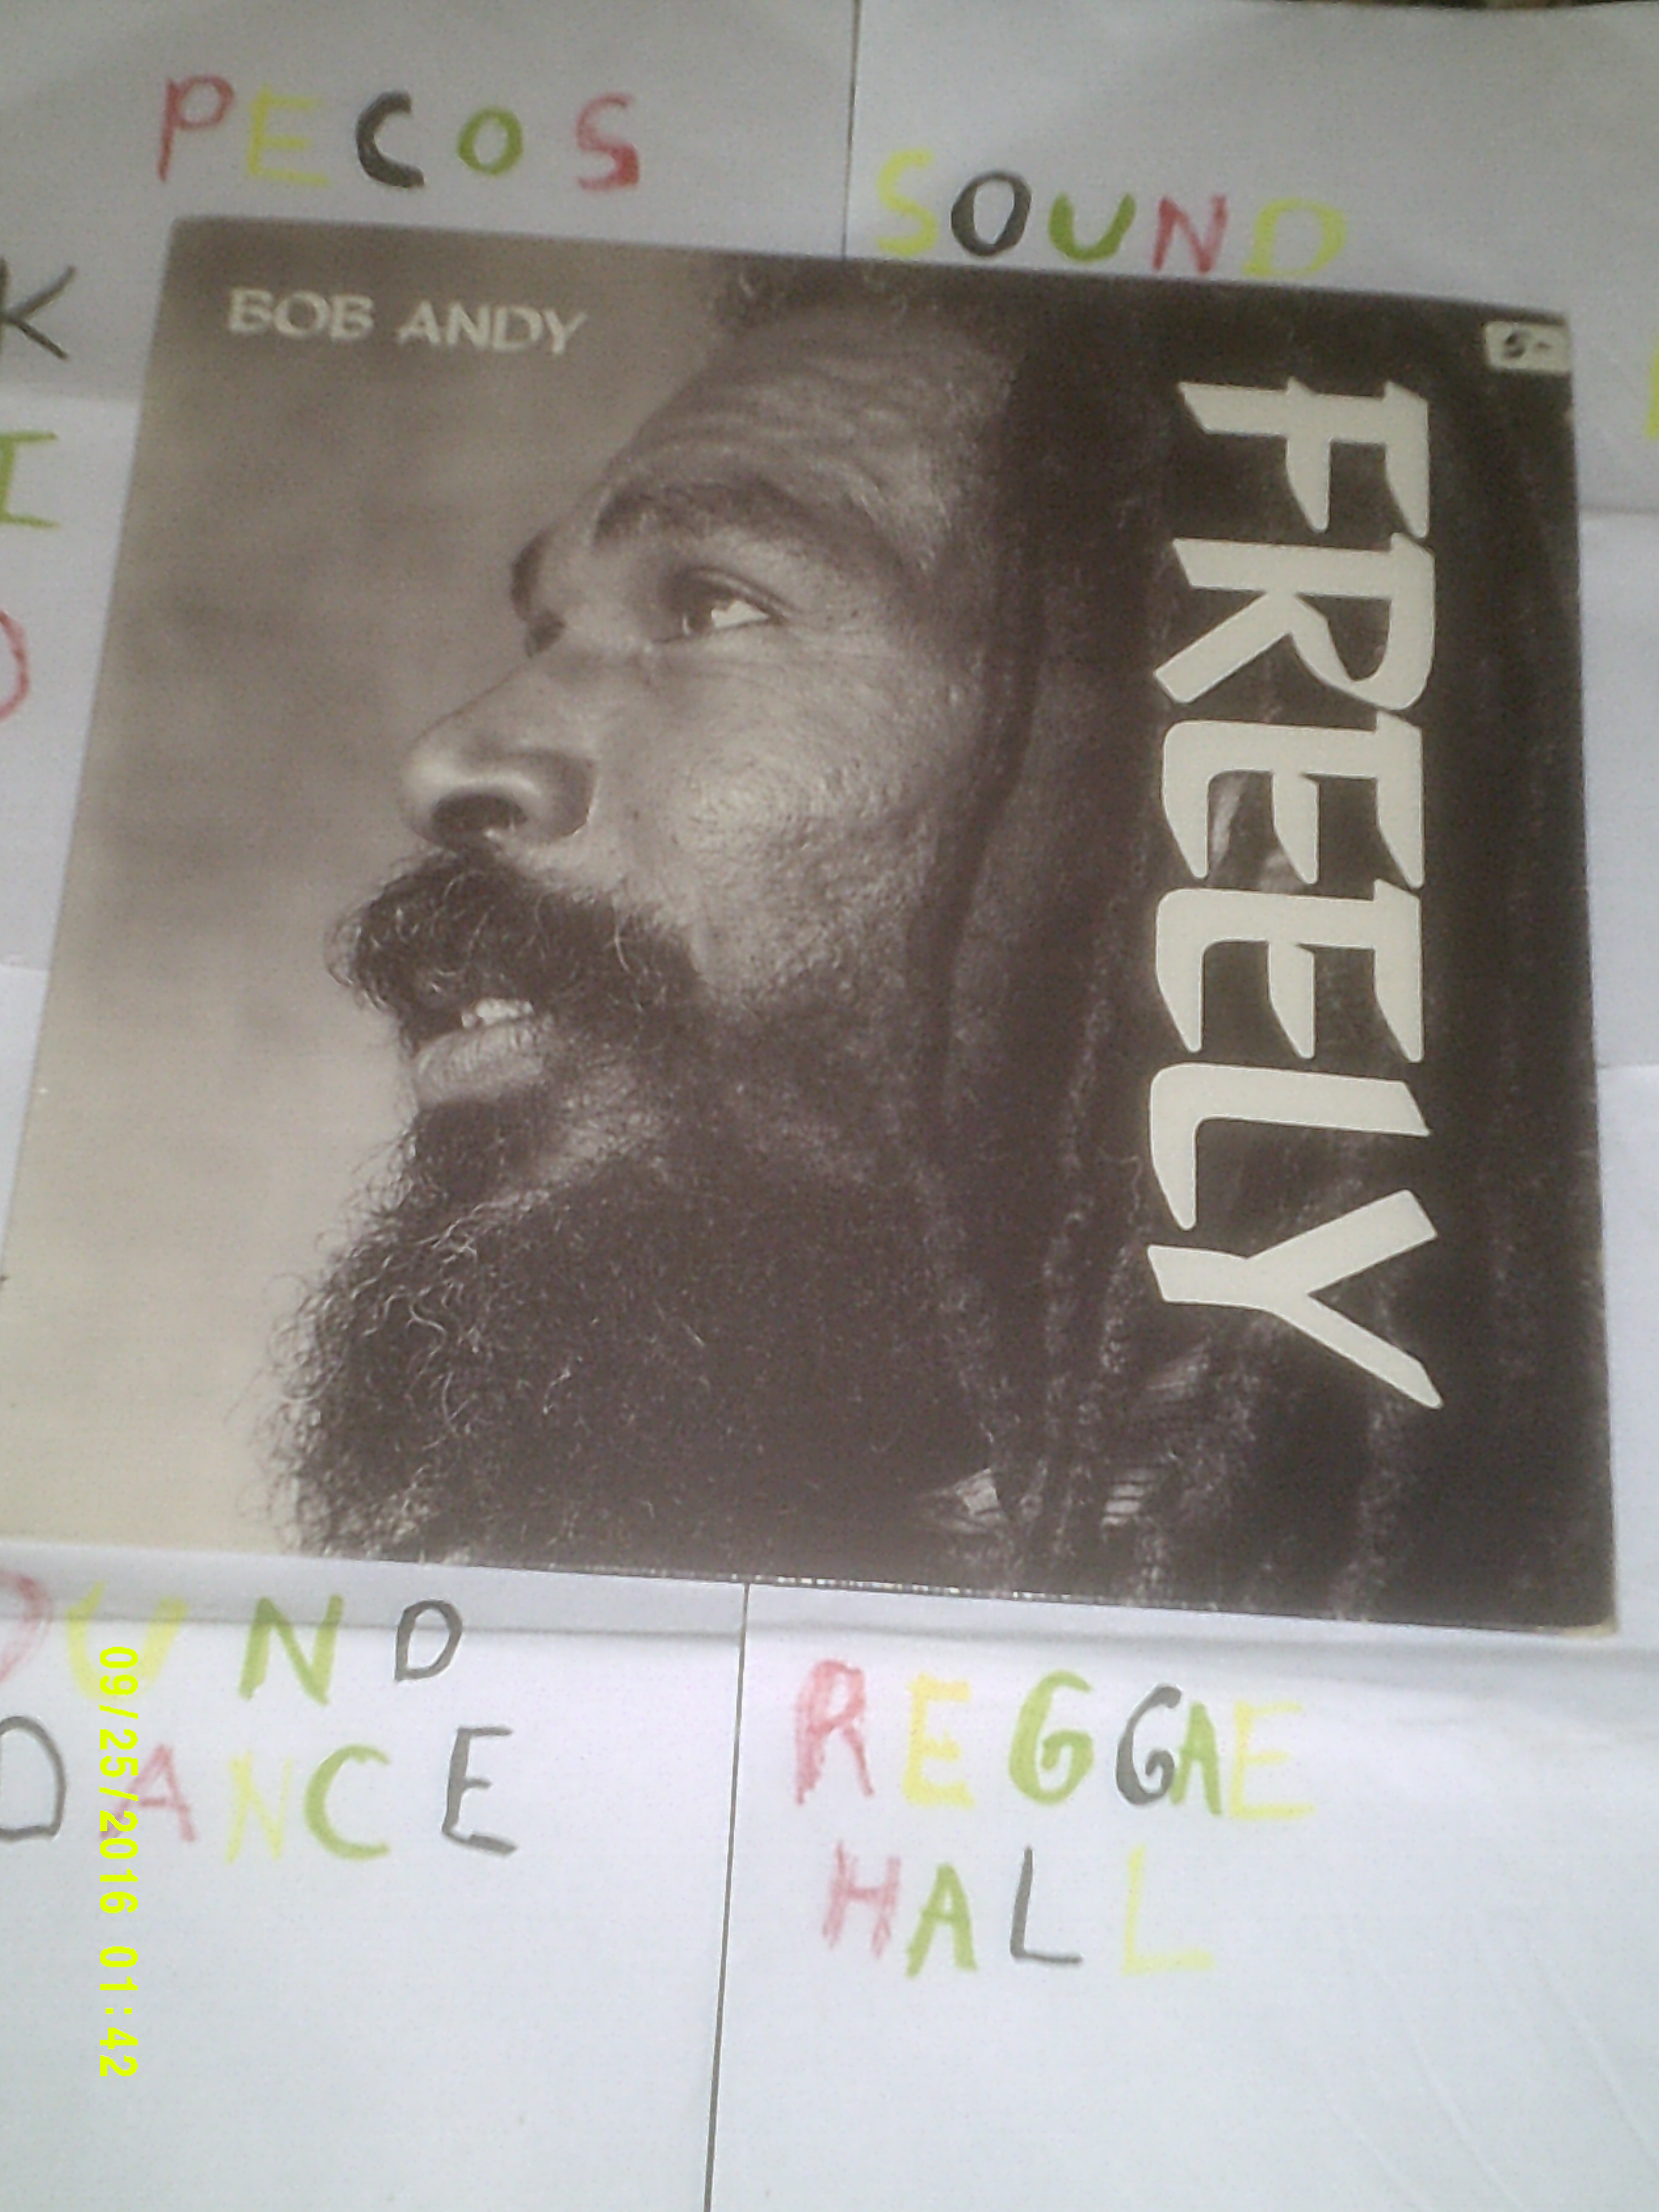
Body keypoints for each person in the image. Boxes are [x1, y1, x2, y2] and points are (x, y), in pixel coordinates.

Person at [276, 258, 1609, 1626]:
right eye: (547, 628)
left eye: (713, 604)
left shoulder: (1453, 1577)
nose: (448, 760)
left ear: (1244, 806)